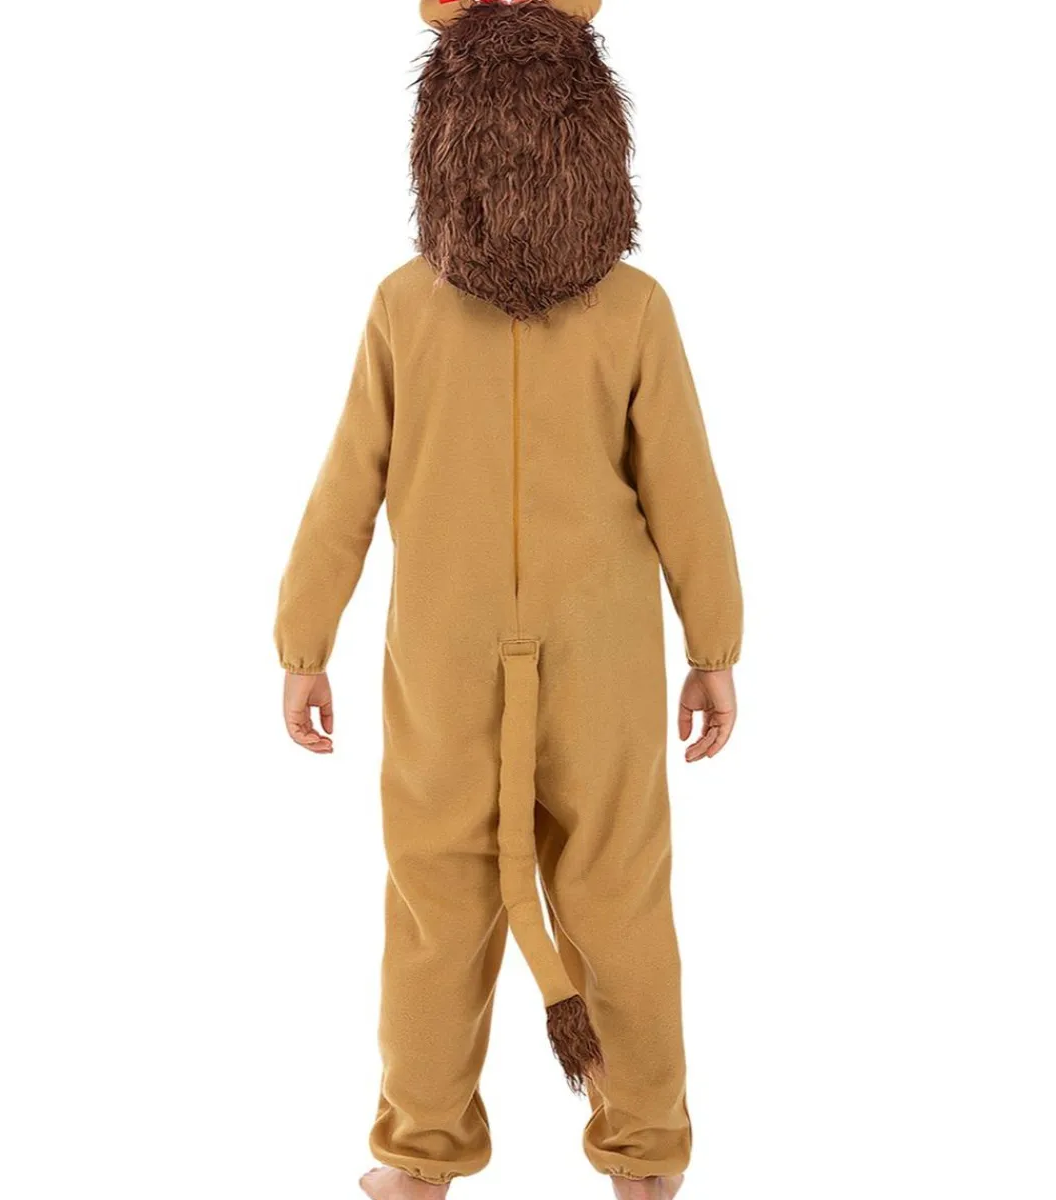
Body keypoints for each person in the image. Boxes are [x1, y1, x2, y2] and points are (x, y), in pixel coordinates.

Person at [276, 3, 742, 1197]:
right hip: (604, 653)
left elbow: (348, 487)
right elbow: (683, 493)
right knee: (618, 889)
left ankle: (421, 1156)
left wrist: (304, 642)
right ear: (594, 135)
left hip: (443, 653)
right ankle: (645, 1158)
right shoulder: (633, 309)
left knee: (437, 896)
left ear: (444, 138)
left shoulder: (406, 305)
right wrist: (712, 649)